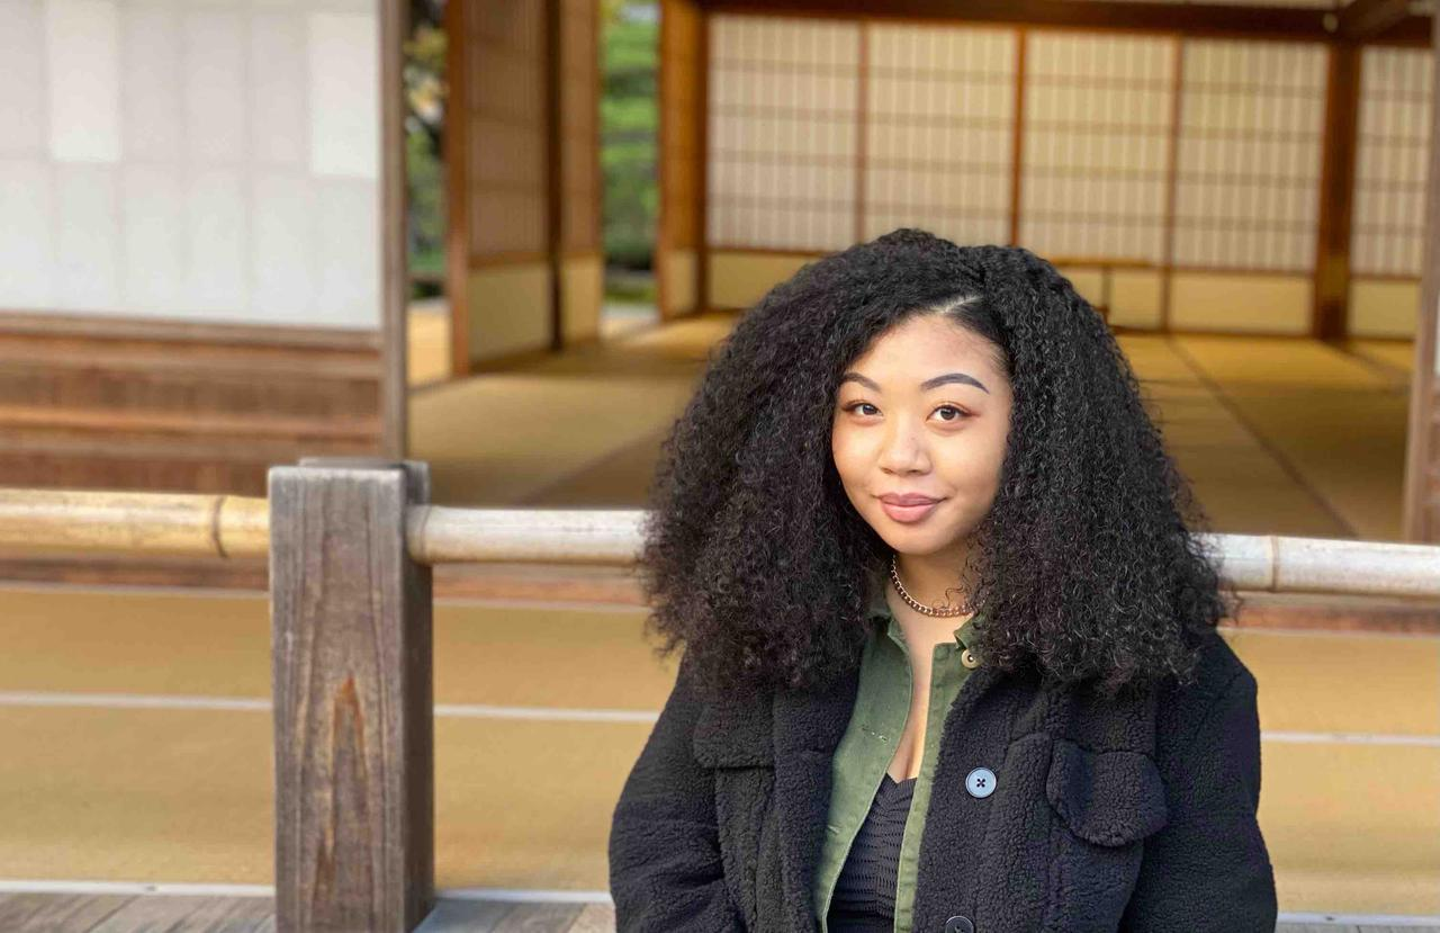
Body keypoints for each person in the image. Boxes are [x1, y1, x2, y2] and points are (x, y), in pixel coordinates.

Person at [608, 229, 1277, 932]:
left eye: (949, 413)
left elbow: (1209, 913)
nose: (899, 454)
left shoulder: (1175, 677)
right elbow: (661, 854)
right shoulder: (761, 624)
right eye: (863, 408)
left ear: (1042, 431)